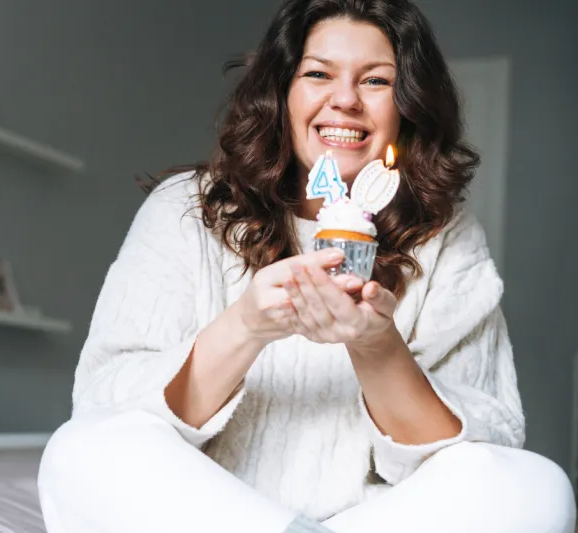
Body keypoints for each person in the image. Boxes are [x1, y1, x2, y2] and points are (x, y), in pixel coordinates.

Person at [37, 0, 577, 532]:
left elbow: (485, 440)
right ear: (282, 92)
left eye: (376, 81)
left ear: (407, 107)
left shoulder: (444, 235)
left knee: (538, 487)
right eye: (319, 73)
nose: (345, 100)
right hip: (210, 515)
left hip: (377, 519)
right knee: (78, 453)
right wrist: (246, 326)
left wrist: (376, 345)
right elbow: (105, 401)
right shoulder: (186, 208)